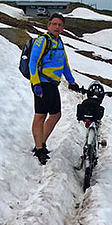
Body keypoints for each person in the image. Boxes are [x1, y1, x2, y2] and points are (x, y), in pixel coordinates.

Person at [29, 13, 79, 164]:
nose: (57, 27)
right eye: (54, 24)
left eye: (60, 25)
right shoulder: (42, 41)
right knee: (40, 116)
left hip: (53, 85)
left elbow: (64, 64)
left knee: (56, 115)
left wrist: (71, 81)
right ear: (48, 25)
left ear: (63, 28)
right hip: (42, 83)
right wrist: (36, 83)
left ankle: (41, 142)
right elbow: (32, 62)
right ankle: (39, 149)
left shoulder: (59, 42)